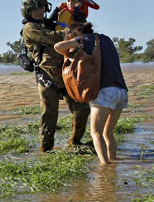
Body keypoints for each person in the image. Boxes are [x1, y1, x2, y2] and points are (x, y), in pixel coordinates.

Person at [20, 0, 91, 152]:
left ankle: (75, 142)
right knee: (49, 117)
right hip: (48, 78)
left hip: (67, 76)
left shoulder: (51, 22)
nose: (39, 11)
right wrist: (75, 33)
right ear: (27, 11)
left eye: (42, 8)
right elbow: (52, 37)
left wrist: (77, 19)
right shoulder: (29, 28)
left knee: (83, 109)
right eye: (35, 9)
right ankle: (46, 150)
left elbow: (67, 26)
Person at [54, 22, 128, 164]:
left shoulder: (82, 41)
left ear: (75, 32)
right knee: (108, 132)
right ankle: (114, 162)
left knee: (96, 132)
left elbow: (57, 47)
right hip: (121, 92)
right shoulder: (105, 38)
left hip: (105, 92)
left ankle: (105, 167)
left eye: (68, 36)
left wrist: (68, 52)